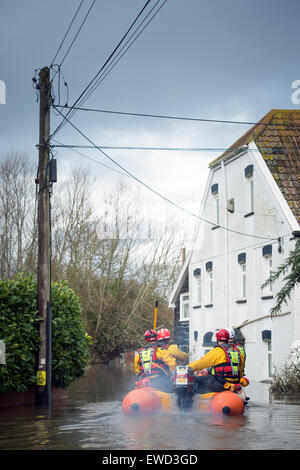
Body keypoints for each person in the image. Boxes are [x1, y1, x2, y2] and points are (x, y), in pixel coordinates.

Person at [188, 329, 243, 393]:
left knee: (197, 380)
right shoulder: (236, 351)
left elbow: (202, 362)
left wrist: (188, 367)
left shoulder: (217, 351)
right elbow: (237, 368)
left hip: (220, 383)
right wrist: (209, 370)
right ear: (228, 339)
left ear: (217, 339)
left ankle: (194, 401)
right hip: (234, 382)